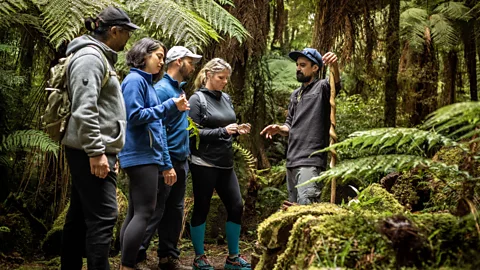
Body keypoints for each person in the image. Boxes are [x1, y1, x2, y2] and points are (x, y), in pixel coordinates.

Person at [60, 6, 138, 270]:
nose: (128, 39)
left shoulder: (100, 58)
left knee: (80, 216)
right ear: (114, 31)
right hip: (90, 151)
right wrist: (96, 152)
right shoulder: (90, 59)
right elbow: (84, 109)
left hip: (95, 150)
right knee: (105, 216)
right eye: (127, 33)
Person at [118, 38, 190, 270]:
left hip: (146, 155)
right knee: (145, 212)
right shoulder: (134, 80)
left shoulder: (146, 83)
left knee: (136, 213)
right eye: (158, 56)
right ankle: (129, 264)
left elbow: (156, 127)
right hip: (139, 154)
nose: (161, 61)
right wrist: (170, 105)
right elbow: (135, 116)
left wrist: (164, 161)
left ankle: (126, 263)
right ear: (143, 55)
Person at [136, 46, 202, 269]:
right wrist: (166, 164)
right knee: (156, 209)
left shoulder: (179, 90)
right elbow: (158, 128)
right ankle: (136, 256)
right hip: (167, 160)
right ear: (179, 62)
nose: (193, 67)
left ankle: (168, 256)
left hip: (181, 159)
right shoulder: (162, 90)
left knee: (175, 209)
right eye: (190, 62)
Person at [188, 58, 252, 270]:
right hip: (203, 163)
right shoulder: (197, 100)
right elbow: (193, 134)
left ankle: (233, 258)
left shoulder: (226, 98)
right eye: (220, 78)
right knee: (202, 207)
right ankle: (199, 258)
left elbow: (226, 127)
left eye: (227, 78)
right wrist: (223, 131)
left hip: (225, 163)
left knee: (236, 205)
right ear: (208, 75)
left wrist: (236, 131)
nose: (225, 81)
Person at [260, 48, 340, 205]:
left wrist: (335, 66)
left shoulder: (322, 87)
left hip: (311, 161)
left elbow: (335, 84)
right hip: (292, 160)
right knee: (293, 211)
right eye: (297, 65)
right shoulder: (295, 94)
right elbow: (289, 124)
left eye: (303, 65)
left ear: (315, 68)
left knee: (306, 208)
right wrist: (279, 129)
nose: (298, 68)